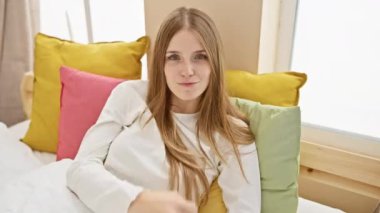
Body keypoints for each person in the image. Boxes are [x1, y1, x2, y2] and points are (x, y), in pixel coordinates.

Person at [66, 7, 261, 213]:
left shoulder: (231, 136)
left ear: (214, 63)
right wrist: (136, 202)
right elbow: (79, 168)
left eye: (199, 56)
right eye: (174, 57)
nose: (187, 70)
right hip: (73, 202)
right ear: (161, 63)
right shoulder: (130, 95)